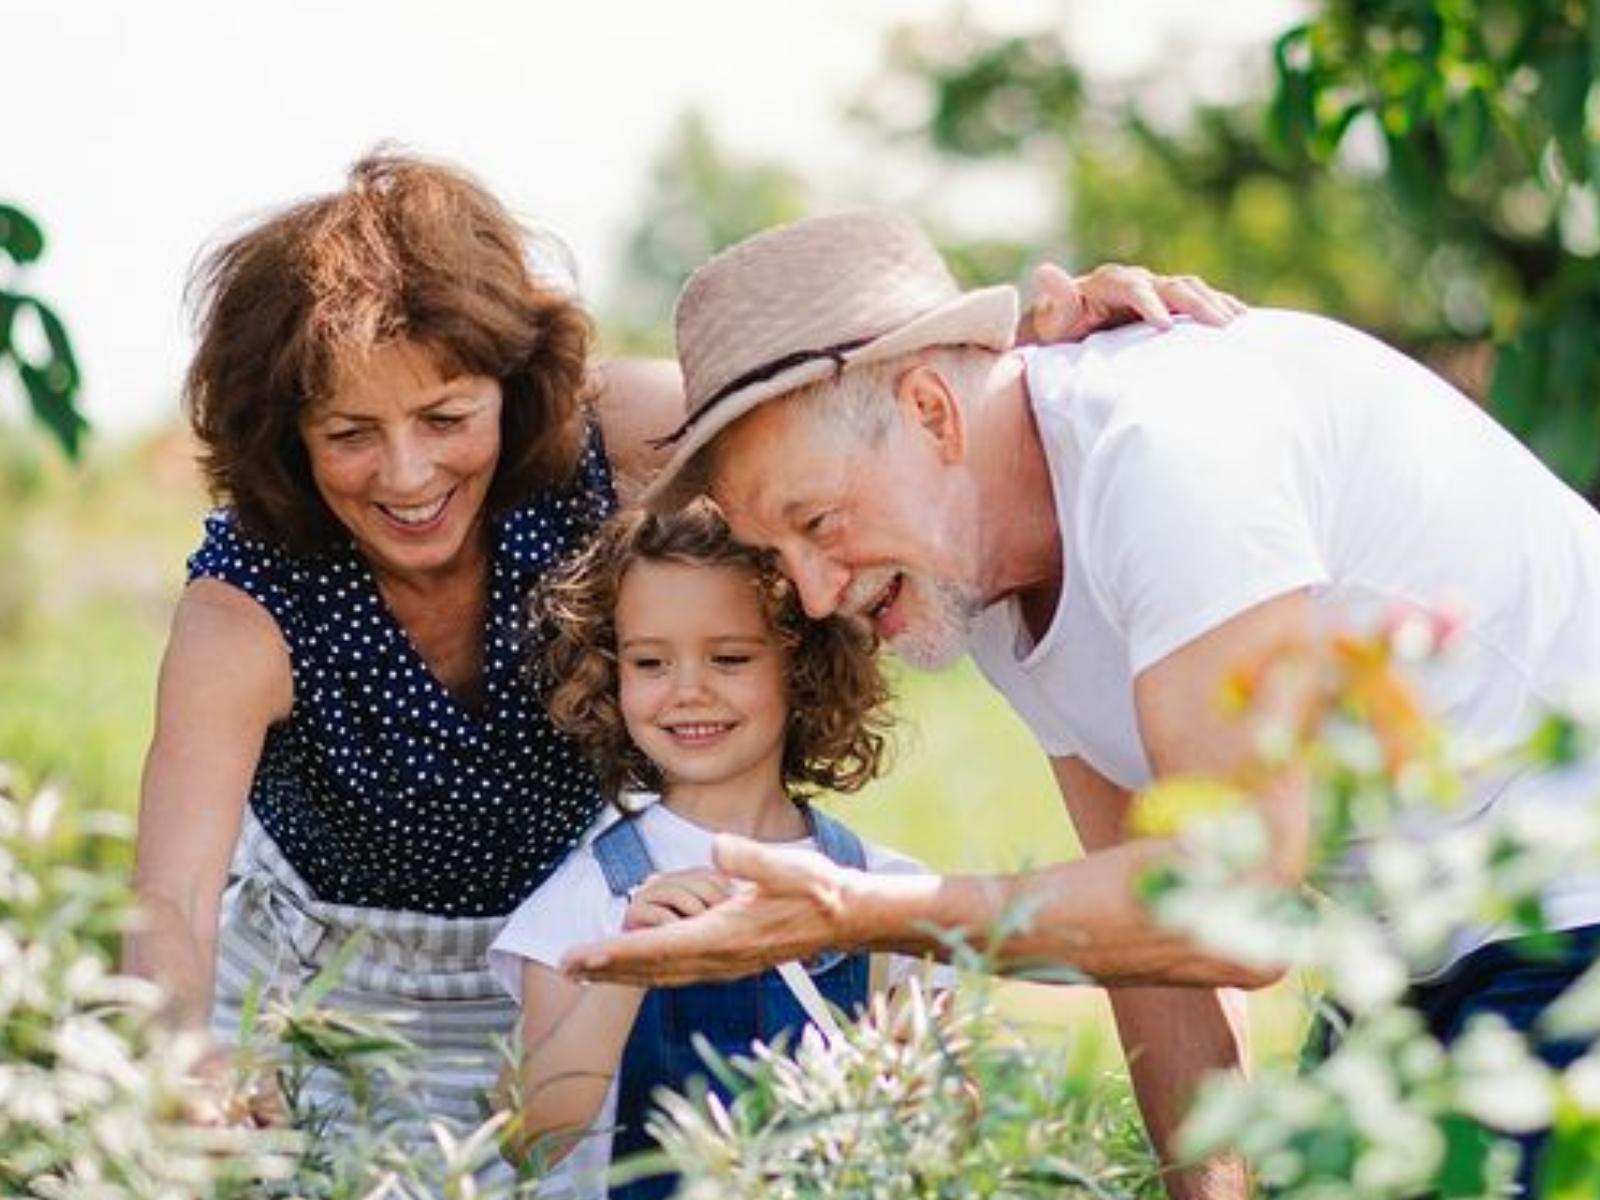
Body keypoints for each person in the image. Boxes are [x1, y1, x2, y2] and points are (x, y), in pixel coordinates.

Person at [124, 153, 1228, 1131]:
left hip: (566, 967)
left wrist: (1031, 370)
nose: (408, 475)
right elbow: (170, 899)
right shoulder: (247, 609)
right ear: (288, 436)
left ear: (510, 388)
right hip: (332, 997)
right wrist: (184, 1061)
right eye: (351, 436)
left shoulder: (607, 437)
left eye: (447, 418)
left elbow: (833, 413)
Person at [565, 209, 1600, 1197]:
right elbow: (1149, 947)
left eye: (819, 523)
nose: (821, 592)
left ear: (931, 412)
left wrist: (866, 913)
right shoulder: (979, 576)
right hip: (1431, 940)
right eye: (781, 559)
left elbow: (1233, 909)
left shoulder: (1164, 454)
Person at [488, 500, 939, 1198]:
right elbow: (528, 1140)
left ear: (804, 665)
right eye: (649, 661)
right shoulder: (592, 896)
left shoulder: (882, 888)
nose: (688, 691)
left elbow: (944, 1132)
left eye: (729, 657)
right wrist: (628, 967)